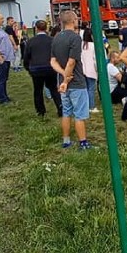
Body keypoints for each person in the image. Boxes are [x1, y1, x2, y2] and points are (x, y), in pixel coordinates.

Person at [50, 10, 91, 150]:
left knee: (66, 112)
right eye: (77, 18)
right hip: (76, 82)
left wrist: (62, 76)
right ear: (73, 20)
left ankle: (66, 140)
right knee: (79, 114)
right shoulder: (75, 38)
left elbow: (53, 61)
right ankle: (83, 143)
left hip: (62, 82)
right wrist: (66, 80)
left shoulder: (56, 37)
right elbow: (71, 62)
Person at [23, 20, 62, 118]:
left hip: (36, 69)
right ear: (46, 28)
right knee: (54, 88)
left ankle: (40, 111)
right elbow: (57, 54)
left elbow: (26, 56)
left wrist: (28, 68)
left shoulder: (31, 41)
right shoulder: (52, 40)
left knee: (38, 90)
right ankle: (60, 107)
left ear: (36, 28)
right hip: (50, 68)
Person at [80, 28, 100, 113]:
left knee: (85, 89)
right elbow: (95, 59)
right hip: (91, 70)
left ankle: (85, 105)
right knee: (91, 89)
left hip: (82, 70)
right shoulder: (93, 46)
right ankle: (91, 106)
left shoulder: (81, 45)